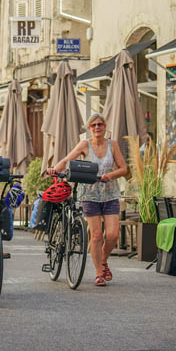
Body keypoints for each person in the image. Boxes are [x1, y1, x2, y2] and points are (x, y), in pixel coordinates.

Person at [47, 113, 127, 287]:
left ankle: (103, 260)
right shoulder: (85, 144)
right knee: (97, 235)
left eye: (100, 124)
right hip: (89, 195)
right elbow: (68, 159)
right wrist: (54, 169)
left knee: (112, 235)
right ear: (89, 129)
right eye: (93, 125)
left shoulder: (112, 145)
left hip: (110, 193)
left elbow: (123, 168)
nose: (97, 127)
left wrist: (110, 175)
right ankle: (99, 273)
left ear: (105, 126)